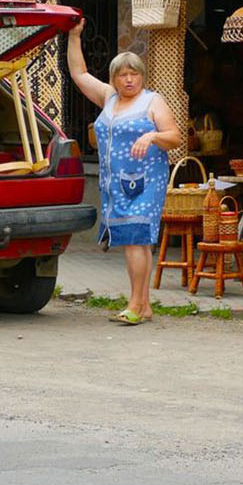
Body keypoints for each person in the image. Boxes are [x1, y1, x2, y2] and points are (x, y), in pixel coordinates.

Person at [67, 21, 184, 326]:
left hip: (145, 181)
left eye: (135, 74)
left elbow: (174, 136)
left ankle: (136, 303)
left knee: (135, 238)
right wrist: (74, 36)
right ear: (114, 79)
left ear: (142, 77)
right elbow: (79, 74)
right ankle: (143, 306)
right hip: (114, 183)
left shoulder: (152, 101)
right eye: (123, 75)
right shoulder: (109, 99)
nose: (129, 80)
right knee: (135, 242)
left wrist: (151, 137)